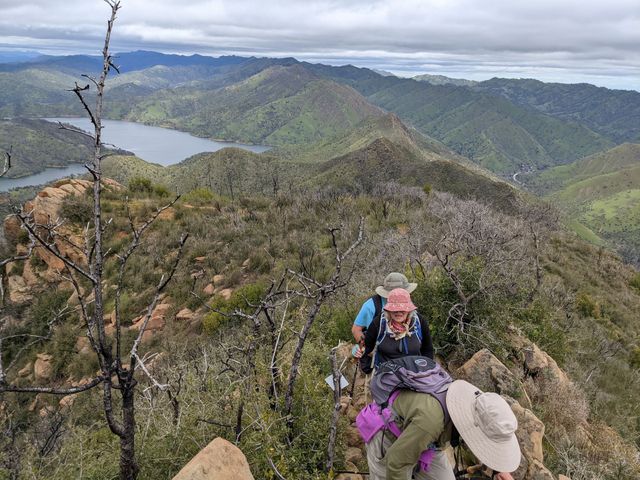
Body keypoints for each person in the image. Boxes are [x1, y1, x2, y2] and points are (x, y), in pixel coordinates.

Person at [366, 379, 521, 480]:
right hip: (389, 436)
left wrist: (499, 469)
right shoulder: (431, 421)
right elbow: (396, 463)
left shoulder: (473, 405)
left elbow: (474, 435)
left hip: (429, 440)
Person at [360, 288, 434, 373]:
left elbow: (427, 349)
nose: (398, 312)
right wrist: (367, 368)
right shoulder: (379, 323)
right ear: (388, 310)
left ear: (409, 310)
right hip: (386, 374)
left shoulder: (419, 322)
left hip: (415, 374)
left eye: (402, 309)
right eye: (394, 309)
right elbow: (367, 347)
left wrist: (426, 371)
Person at [351, 272, 417, 358]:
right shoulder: (371, 306)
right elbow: (356, 329)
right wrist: (363, 346)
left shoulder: (408, 302)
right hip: (379, 353)